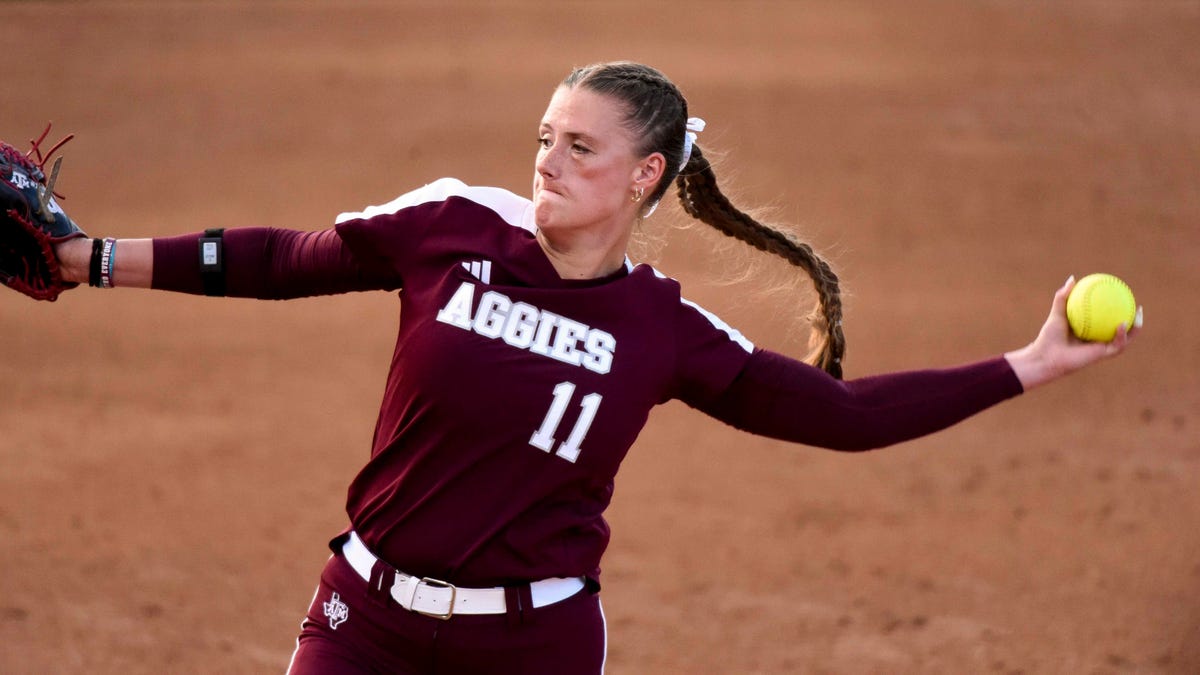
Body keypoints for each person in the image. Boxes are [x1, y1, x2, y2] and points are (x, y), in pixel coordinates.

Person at [49, 61, 1135, 674]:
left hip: (533, 646)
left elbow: (838, 416)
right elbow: (283, 259)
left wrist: (1031, 364)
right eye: (544, 137)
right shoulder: (452, 226)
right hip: (364, 623)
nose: (547, 163)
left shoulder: (664, 330)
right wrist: (92, 258)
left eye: (580, 148)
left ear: (644, 177)